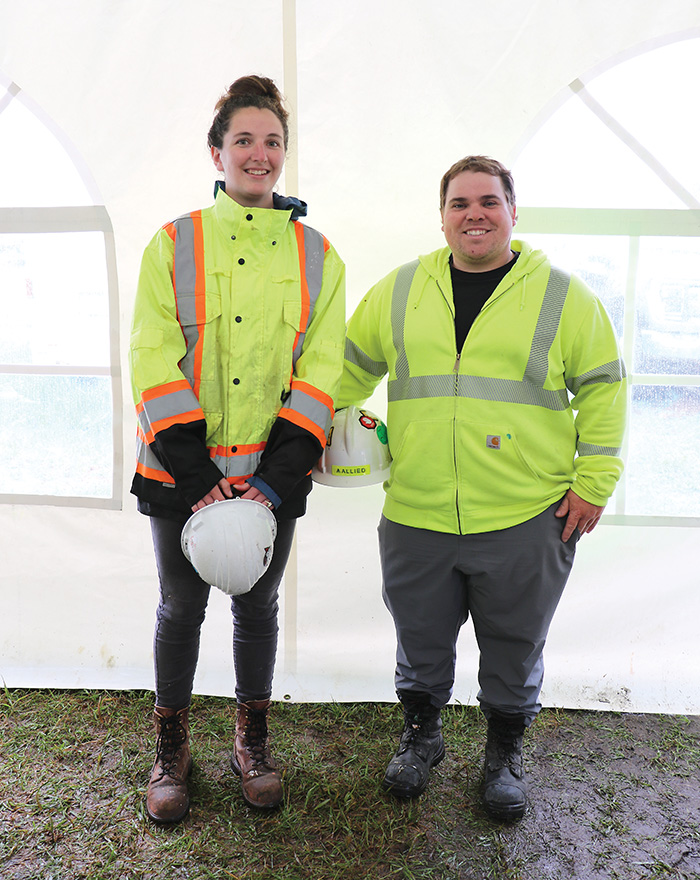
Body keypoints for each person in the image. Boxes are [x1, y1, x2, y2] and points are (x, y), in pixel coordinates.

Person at [337, 155, 626, 820]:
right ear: (442, 217)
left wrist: (595, 483)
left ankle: (503, 752)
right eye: (461, 203)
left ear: (512, 212)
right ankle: (423, 735)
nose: (475, 215)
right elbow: (345, 371)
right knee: (420, 636)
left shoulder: (562, 295)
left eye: (489, 202)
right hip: (417, 509)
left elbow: (605, 389)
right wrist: (313, 433)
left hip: (527, 515)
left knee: (515, 641)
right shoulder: (401, 289)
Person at [129, 75, 345, 823]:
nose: (260, 154)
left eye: (273, 142)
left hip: (269, 478)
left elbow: (321, 372)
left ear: (285, 154)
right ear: (216, 151)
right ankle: (172, 748)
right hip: (176, 473)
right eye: (245, 140)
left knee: (257, 606)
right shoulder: (173, 242)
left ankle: (251, 740)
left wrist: (275, 479)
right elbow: (153, 358)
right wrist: (198, 478)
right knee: (180, 606)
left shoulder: (318, 255)